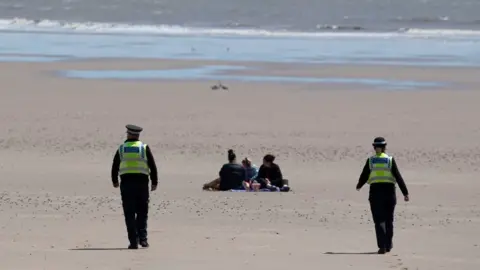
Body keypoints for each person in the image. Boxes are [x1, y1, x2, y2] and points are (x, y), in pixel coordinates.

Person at [356, 137, 409, 254]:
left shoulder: (371, 161)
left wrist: (359, 185)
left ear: (374, 147)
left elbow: (364, 175)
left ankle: (382, 246)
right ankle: (388, 245)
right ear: (385, 147)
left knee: (379, 220)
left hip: (375, 192)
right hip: (389, 192)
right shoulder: (389, 160)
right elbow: (398, 177)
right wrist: (405, 193)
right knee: (389, 219)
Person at [111, 124, 159, 249]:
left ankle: (133, 241)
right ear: (138, 135)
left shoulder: (122, 148)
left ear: (128, 134)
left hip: (126, 184)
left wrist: (114, 181)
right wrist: (154, 182)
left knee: (129, 213)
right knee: (142, 212)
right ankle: (143, 240)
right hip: (142, 183)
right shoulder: (143, 148)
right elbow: (152, 166)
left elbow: (115, 165)